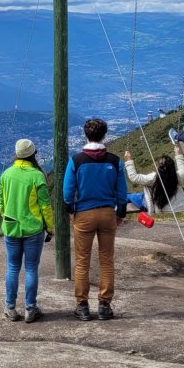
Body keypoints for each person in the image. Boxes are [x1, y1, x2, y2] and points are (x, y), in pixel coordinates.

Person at [62, 118, 127, 321]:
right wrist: (120, 213)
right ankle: (104, 305)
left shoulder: (76, 160)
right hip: (107, 213)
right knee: (106, 260)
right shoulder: (114, 161)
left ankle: (82, 306)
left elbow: (67, 191)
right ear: (104, 135)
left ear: (86, 135)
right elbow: (122, 191)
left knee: (82, 261)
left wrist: (71, 210)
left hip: (84, 214)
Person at [0, 138, 53, 323]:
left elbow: (1, 203)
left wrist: (8, 218)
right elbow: (45, 206)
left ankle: (10, 307)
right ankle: (30, 308)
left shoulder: (6, 174)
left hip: (11, 227)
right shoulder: (37, 176)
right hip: (33, 229)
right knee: (31, 269)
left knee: (12, 267)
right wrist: (50, 227)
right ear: (33, 154)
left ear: (16, 154)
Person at [123, 143, 184, 214]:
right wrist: (178, 154)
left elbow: (134, 177)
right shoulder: (176, 176)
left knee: (130, 196)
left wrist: (128, 160)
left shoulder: (154, 178)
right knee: (131, 195)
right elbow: (182, 170)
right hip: (169, 204)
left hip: (150, 203)